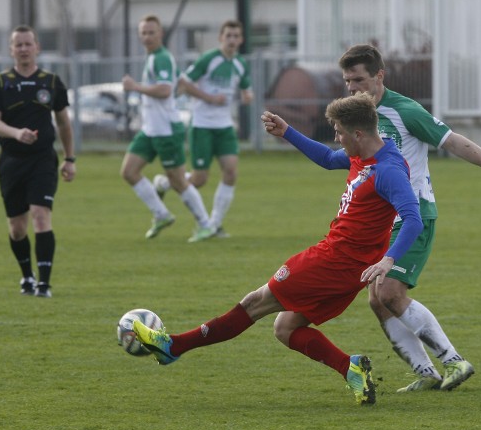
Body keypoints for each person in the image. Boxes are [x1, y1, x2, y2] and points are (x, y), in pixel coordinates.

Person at [133, 93, 424, 405]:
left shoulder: (388, 170)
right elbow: (327, 159)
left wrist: (388, 260)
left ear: (358, 133)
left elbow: (413, 219)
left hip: (335, 260)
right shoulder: (362, 155)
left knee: (255, 302)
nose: (336, 138)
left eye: (339, 132)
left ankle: (172, 347)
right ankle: (351, 368)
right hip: (347, 266)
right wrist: (287, 132)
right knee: (285, 328)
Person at [338, 44, 481, 392]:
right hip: (382, 221)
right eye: (348, 81)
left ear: (379, 76)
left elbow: (452, 141)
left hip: (413, 213)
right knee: (377, 299)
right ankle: (426, 373)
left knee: (389, 291)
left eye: (359, 80)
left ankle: (453, 360)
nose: (353, 88)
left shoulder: (405, 111)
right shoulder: (359, 116)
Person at [0, 25, 76, 298]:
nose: (23, 49)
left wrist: (69, 158)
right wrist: (16, 133)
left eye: (28, 44)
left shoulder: (51, 82)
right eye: (18, 44)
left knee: (40, 215)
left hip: (43, 160)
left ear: (37, 47)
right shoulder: (0, 83)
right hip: (12, 162)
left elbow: (63, 123)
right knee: (17, 228)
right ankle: (27, 276)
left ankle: (44, 284)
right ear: (11, 50)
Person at [153, 19, 254, 238]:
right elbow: (184, 84)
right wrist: (208, 97)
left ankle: (213, 225)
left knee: (231, 171)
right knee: (199, 180)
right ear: (221, 38)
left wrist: (247, 96)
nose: (232, 40)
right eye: (228, 36)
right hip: (202, 125)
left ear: (241, 40)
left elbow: (247, 88)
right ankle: (164, 182)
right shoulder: (209, 59)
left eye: (236, 36)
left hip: (225, 125)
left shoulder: (240, 63)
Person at [120, 15, 215, 243]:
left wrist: (135, 87)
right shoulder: (153, 57)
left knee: (178, 181)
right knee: (129, 172)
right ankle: (161, 214)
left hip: (166, 131)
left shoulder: (161, 58)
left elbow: (164, 90)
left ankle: (205, 224)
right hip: (151, 129)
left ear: (160, 34)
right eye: (143, 32)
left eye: (151, 32)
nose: (147, 36)